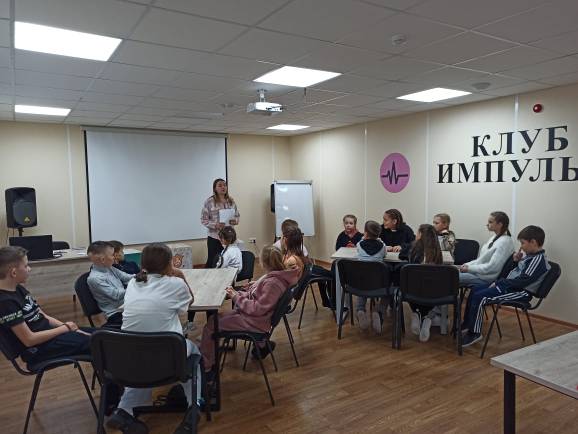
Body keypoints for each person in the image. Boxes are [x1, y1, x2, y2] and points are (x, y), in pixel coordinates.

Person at [107, 243, 199, 434]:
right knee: (194, 351)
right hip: (168, 357)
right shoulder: (175, 284)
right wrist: (180, 275)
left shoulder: (134, 283)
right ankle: (195, 406)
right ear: (169, 263)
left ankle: (123, 410)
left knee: (145, 359)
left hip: (130, 355)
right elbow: (190, 301)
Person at [199, 245, 299, 370]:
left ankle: (207, 366)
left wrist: (236, 297)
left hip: (255, 321)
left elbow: (257, 308)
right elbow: (259, 297)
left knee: (211, 324)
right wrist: (240, 293)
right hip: (255, 318)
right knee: (215, 319)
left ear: (264, 263)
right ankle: (262, 345)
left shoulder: (273, 283)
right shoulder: (277, 277)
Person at [0, 246, 92, 365]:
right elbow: (29, 340)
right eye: (26, 266)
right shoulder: (5, 302)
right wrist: (64, 328)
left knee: (102, 335)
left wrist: (69, 327)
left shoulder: (18, 288)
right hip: (38, 349)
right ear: (13, 272)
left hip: (49, 336)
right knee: (101, 342)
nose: (29, 269)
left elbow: (42, 315)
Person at [462, 226, 550, 347]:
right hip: (510, 287)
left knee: (480, 297)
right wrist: (515, 261)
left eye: (523, 243)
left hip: (521, 292)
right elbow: (514, 274)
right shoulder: (529, 257)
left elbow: (522, 282)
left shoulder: (537, 260)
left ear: (533, 242)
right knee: (475, 290)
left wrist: (500, 283)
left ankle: (474, 333)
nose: (521, 247)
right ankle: (468, 323)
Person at [407, 224, 443, 343]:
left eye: (417, 232)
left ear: (421, 234)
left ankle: (416, 313)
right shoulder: (437, 251)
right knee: (429, 289)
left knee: (409, 284)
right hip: (433, 291)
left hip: (413, 291)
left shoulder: (415, 248)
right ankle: (427, 318)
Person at [459, 211, 514, 287]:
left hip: (485, 278)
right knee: (450, 273)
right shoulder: (494, 238)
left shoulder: (505, 242)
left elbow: (492, 268)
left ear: (500, 224)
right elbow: (481, 260)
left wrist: (469, 268)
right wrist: (466, 265)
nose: (487, 224)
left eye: (490, 222)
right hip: (479, 274)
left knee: (449, 276)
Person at [87, 241, 134, 328]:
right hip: (116, 313)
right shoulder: (95, 279)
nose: (114, 257)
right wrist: (135, 287)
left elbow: (127, 277)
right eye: (112, 255)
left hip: (125, 305)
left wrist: (143, 275)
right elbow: (116, 295)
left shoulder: (109, 268)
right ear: (103, 260)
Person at [355, 220, 387, 334]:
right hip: (378, 284)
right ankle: (379, 312)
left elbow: (358, 247)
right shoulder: (382, 246)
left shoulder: (359, 245)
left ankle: (360, 309)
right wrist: (380, 241)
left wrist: (363, 238)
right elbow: (385, 254)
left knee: (363, 283)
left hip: (361, 283)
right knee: (389, 290)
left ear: (365, 233)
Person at [201, 178, 240, 269]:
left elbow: (237, 215)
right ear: (215, 188)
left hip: (229, 237)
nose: (223, 187)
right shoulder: (209, 201)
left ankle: (228, 277)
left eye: (225, 185)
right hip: (215, 237)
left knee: (228, 260)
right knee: (212, 261)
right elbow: (203, 220)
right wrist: (215, 225)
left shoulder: (231, 201)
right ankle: (209, 278)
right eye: (220, 185)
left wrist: (235, 221)